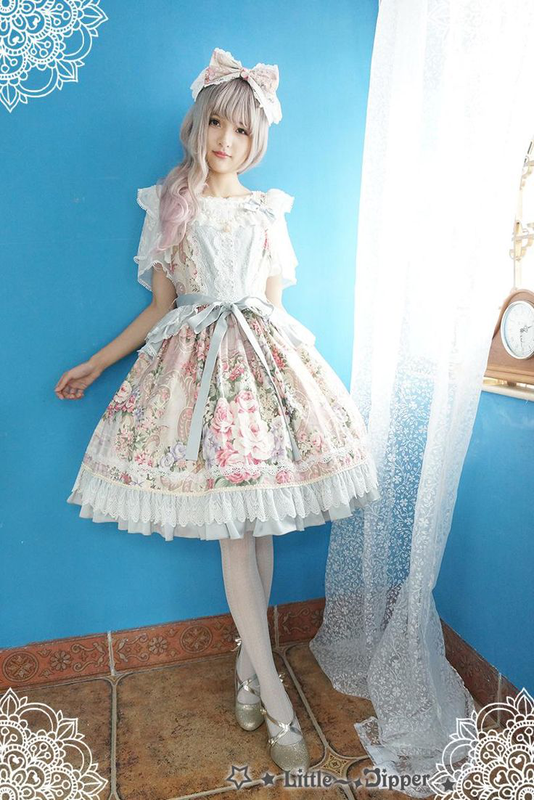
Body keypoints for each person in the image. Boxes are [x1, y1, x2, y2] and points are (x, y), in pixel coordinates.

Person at [54, 47, 381, 774]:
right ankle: (276, 698)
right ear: (197, 123)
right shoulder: (169, 202)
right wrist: (97, 363)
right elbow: (160, 308)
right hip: (194, 378)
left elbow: (274, 305)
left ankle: (248, 674)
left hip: (262, 371)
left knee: (258, 529)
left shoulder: (269, 209)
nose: (226, 140)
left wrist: (297, 380)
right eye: (216, 124)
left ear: (256, 139)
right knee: (239, 534)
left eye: (241, 130)